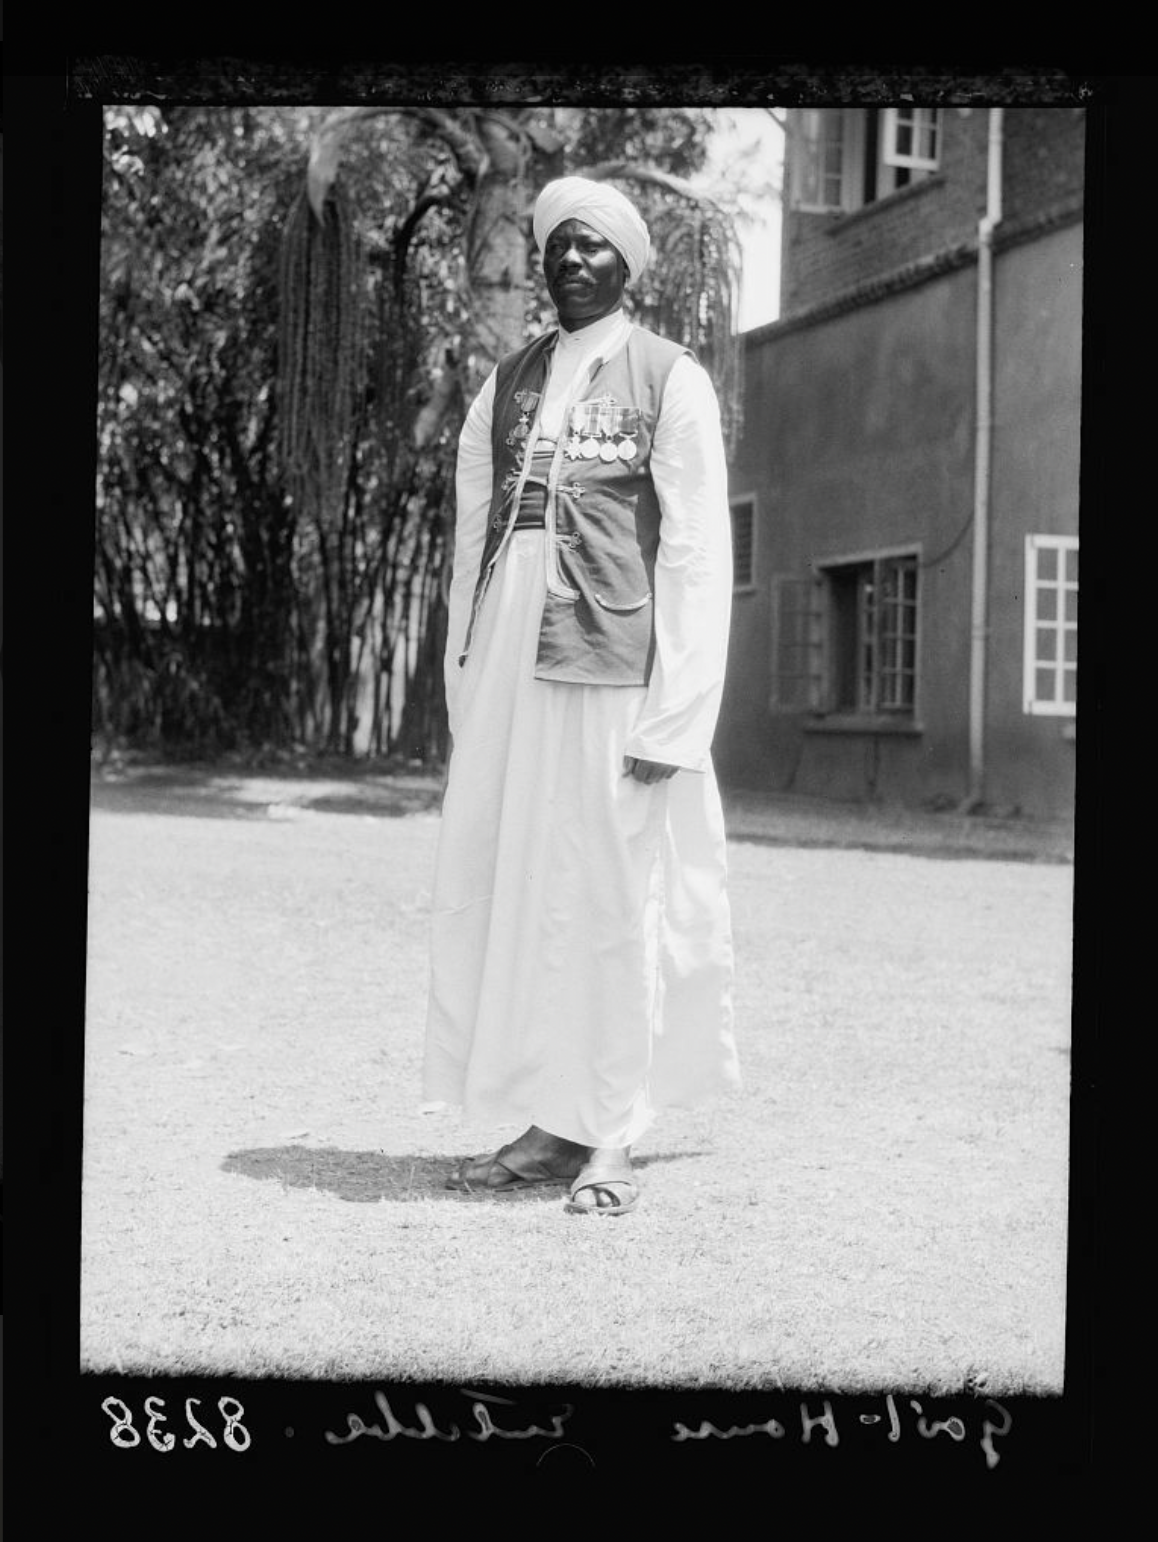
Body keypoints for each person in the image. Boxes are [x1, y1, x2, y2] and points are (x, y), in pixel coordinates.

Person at [422, 175, 740, 1216]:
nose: (569, 258)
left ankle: (612, 1131)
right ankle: (552, 1120)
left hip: (616, 671)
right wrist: (466, 683)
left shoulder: (668, 377)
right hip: (515, 674)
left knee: (615, 896)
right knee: (532, 890)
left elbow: (696, 555)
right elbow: (475, 536)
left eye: (592, 245)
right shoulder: (506, 382)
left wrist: (679, 716)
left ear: (627, 267)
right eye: (558, 242)